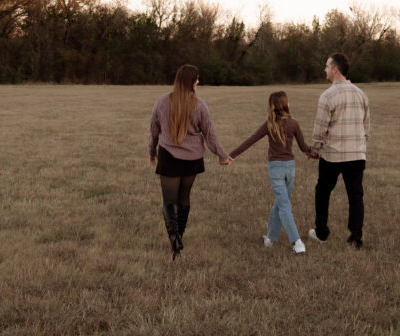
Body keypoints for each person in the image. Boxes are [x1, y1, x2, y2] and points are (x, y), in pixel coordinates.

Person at [149, 64, 232, 259]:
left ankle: (175, 240)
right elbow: (210, 134)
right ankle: (179, 236)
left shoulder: (162, 102)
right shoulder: (200, 105)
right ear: (191, 82)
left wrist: (151, 151)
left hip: (168, 156)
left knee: (169, 201)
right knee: (183, 199)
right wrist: (222, 155)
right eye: (196, 79)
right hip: (192, 158)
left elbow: (153, 129)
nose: (198, 82)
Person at [229, 90, 310, 254]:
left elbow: (250, 140)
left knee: (283, 204)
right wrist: (313, 153)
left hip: (276, 169)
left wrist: (231, 155)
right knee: (281, 203)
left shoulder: (269, 124)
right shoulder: (294, 123)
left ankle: (297, 242)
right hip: (290, 168)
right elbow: (304, 148)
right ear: (286, 104)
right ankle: (271, 238)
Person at [307, 52, 370, 249]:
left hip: (333, 155)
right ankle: (356, 238)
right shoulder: (361, 94)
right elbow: (366, 128)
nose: (324, 70)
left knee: (323, 191)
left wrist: (314, 150)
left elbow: (320, 129)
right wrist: (359, 146)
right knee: (355, 196)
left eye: (326, 67)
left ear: (335, 70)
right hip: (356, 155)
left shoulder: (327, 96)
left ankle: (321, 232)